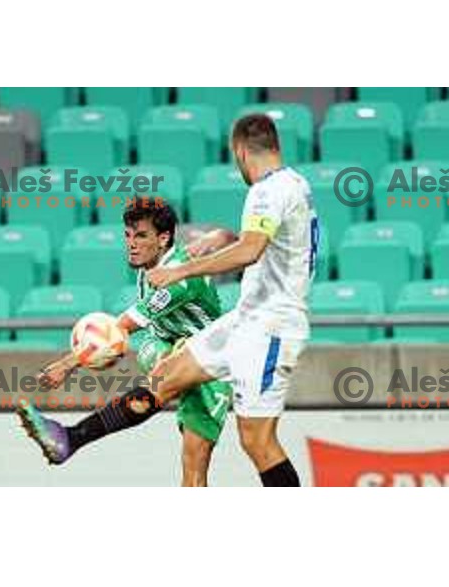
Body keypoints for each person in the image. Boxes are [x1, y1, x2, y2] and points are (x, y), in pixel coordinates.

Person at [19, 113, 319, 487]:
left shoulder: (266, 190)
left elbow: (253, 250)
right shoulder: (294, 184)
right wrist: (227, 235)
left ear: (240, 150)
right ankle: (69, 440)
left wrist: (181, 271)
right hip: (246, 321)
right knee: (164, 378)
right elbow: (274, 242)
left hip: (271, 327)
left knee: (257, 442)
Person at [19, 198, 232, 487]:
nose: (131, 243)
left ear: (163, 238)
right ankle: (71, 438)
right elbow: (228, 240)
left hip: (212, 365)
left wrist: (68, 364)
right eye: (128, 235)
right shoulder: (156, 263)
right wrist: (219, 235)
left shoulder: (179, 279)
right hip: (166, 345)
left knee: (195, 466)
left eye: (141, 235)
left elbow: (122, 327)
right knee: (161, 356)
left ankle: (72, 439)